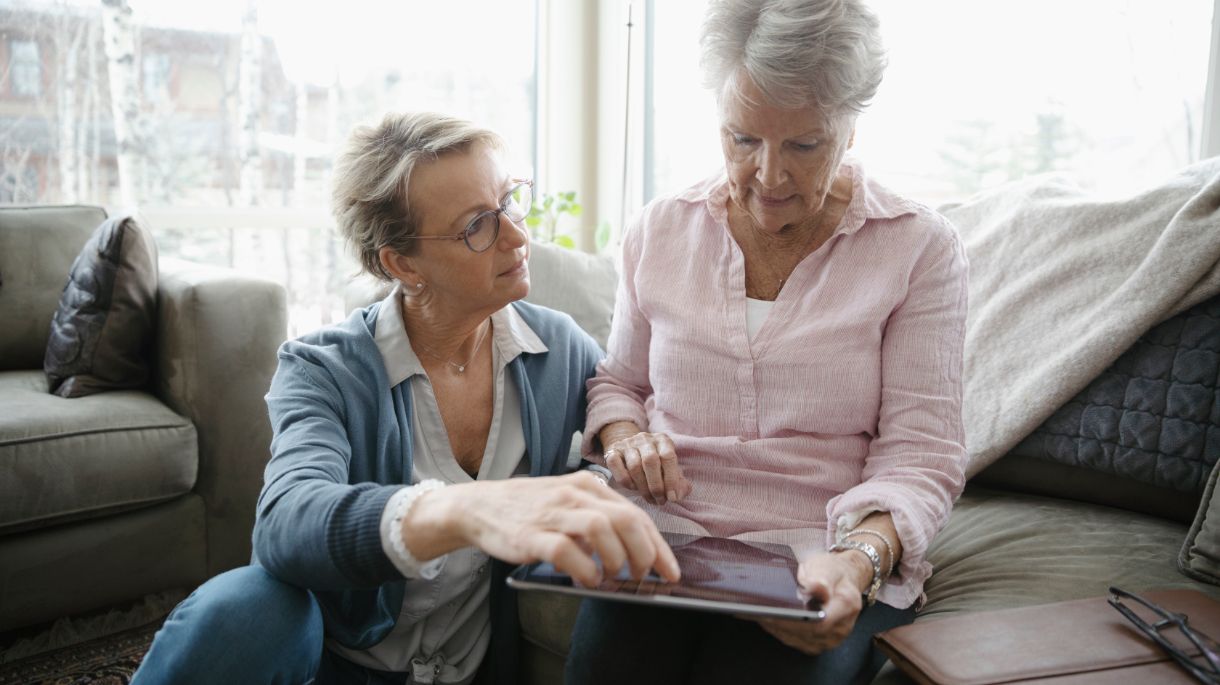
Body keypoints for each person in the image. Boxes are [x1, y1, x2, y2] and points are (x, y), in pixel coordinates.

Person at [131, 112, 678, 685]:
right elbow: (285, 523)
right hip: (338, 667)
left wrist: (626, 438)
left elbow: (616, 400)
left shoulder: (557, 348)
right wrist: (464, 510)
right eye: (477, 227)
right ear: (402, 263)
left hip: (474, 672)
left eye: (510, 201)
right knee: (246, 605)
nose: (518, 235)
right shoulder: (322, 368)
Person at [565, 0, 968, 683]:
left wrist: (860, 561)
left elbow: (923, 453)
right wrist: (627, 433)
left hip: (817, 551)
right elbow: (620, 383)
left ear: (850, 123)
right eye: (742, 139)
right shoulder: (660, 230)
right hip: (664, 538)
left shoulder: (917, 249)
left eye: (804, 145)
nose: (770, 176)